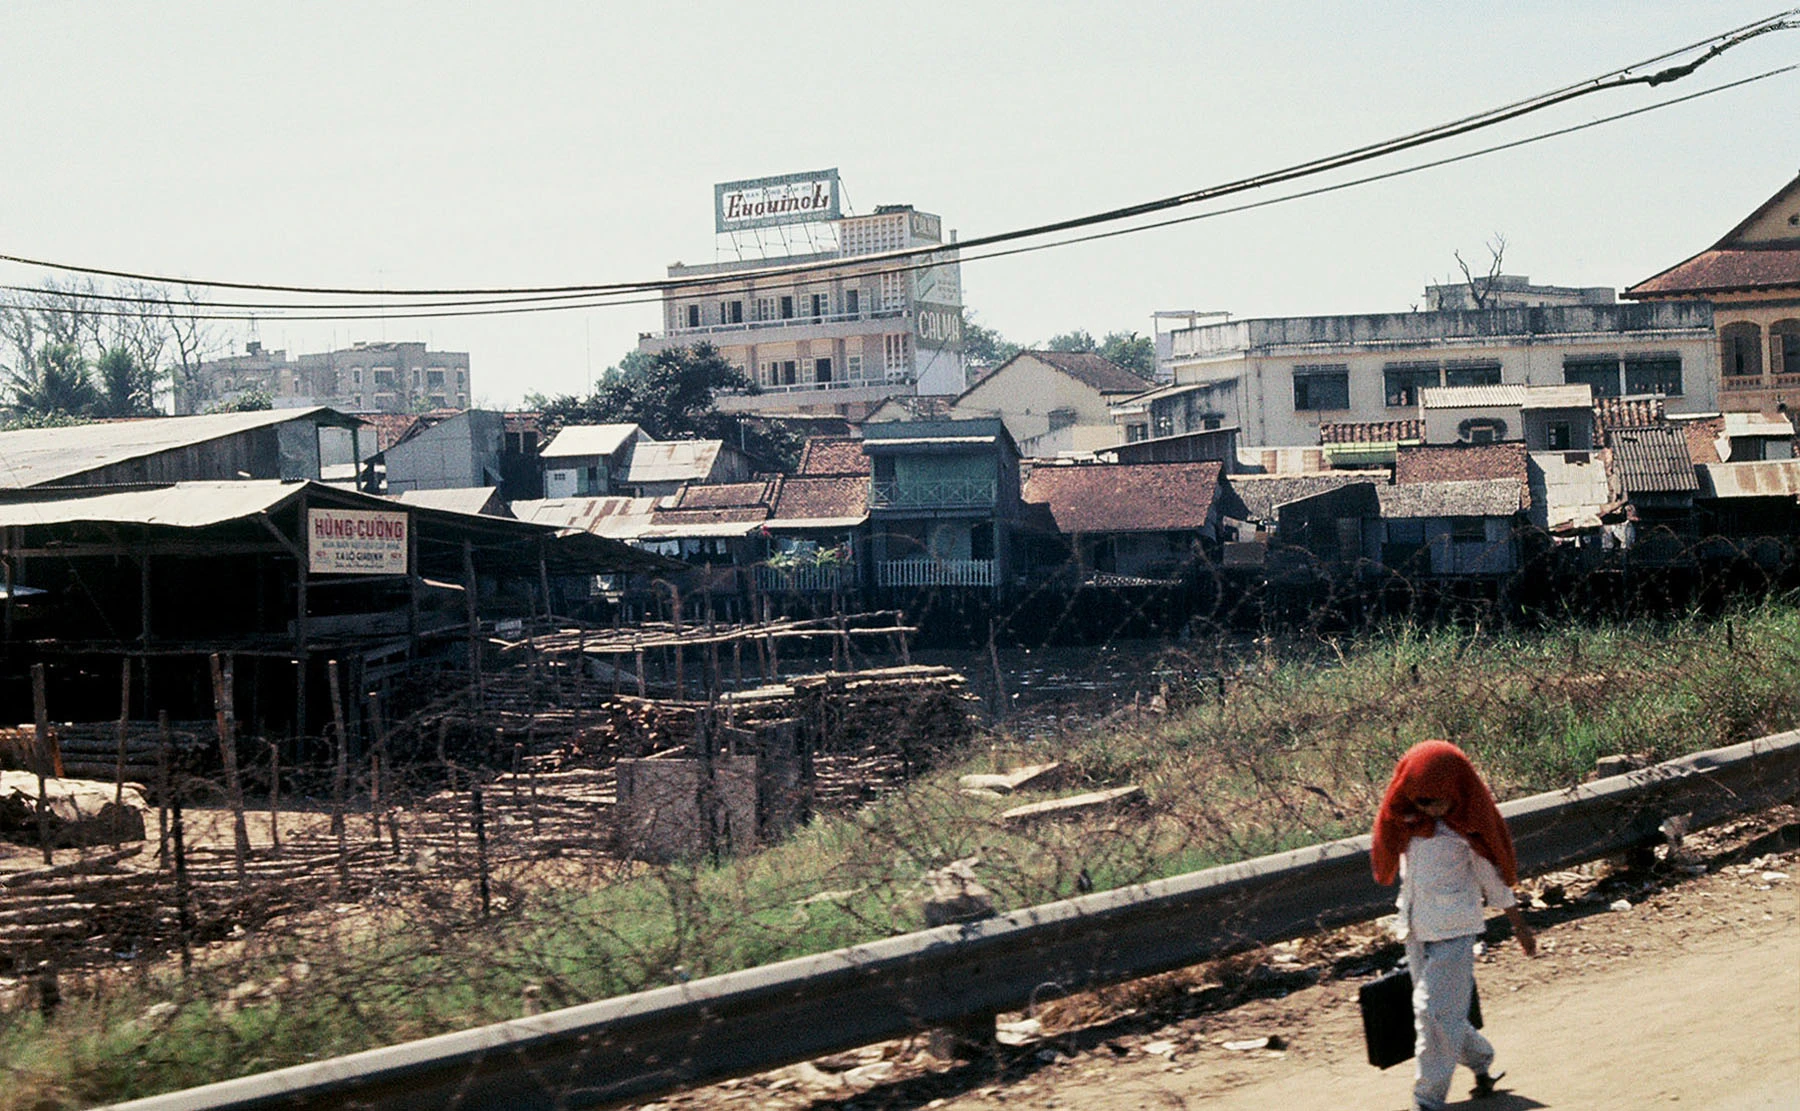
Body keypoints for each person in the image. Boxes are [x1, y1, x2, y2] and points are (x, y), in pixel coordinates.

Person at [1372, 740, 1537, 1111]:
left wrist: (1520, 927)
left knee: (1431, 1013)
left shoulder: (1468, 829)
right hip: (1416, 929)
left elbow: (1493, 880)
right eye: (1423, 802)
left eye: (1438, 801)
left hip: (1455, 930)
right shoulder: (1407, 824)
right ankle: (1482, 1061)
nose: (1432, 809)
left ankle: (1427, 1099)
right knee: (1442, 1012)